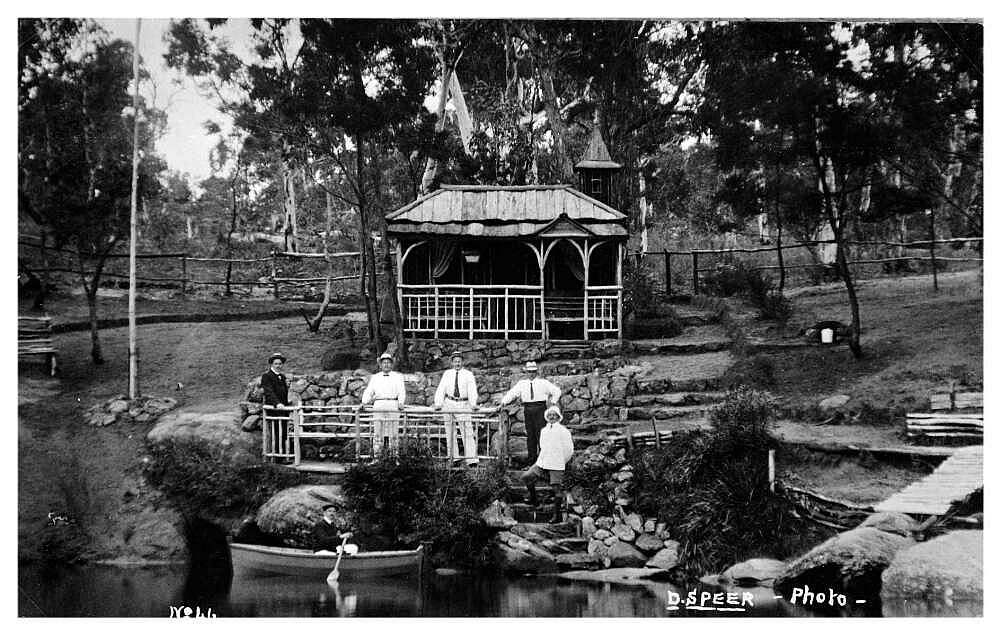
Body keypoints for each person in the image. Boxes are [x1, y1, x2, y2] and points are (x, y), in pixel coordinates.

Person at [500, 361, 561, 463]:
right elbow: (512, 394)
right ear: (526, 372)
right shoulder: (521, 384)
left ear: (536, 372)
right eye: (529, 371)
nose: (531, 374)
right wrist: (503, 402)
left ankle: (543, 461)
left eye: (533, 371)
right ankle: (531, 461)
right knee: (530, 436)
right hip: (528, 410)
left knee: (541, 435)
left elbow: (557, 391)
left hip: (540, 409)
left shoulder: (543, 382)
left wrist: (553, 402)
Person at [522, 406, 574, 524]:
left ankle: (556, 515)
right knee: (527, 477)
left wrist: (561, 461)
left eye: (554, 415)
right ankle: (535, 501)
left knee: (557, 489)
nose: (551, 417)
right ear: (546, 417)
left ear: (558, 417)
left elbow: (569, 450)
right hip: (543, 462)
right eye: (549, 415)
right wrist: (541, 461)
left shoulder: (563, 431)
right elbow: (542, 446)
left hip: (557, 464)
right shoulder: (544, 431)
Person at [433, 351, 480, 466]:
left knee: (467, 431)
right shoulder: (447, 374)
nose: (457, 363)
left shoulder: (468, 374)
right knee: (450, 431)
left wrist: (473, 403)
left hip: (463, 404)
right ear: (452, 362)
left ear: (462, 362)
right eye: (455, 361)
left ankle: (471, 459)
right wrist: (438, 403)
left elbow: (472, 390)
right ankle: (454, 457)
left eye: (459, 361)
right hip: (449, 403)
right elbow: (441, 389)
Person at [361, 352, 407, 456]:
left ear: (392, 364)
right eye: (384, 362)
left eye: (388, 362)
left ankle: (394, 457)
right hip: (379, 404)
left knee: (393, 431)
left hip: (393, 404)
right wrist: (364, 402)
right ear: (380, 364)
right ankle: (377, 456)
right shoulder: (375, 377)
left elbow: (402, 391)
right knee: (378, 431)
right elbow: (369, 391)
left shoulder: (398, 376)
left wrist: (401, 402)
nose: (386, 364)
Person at [261, 352, 291, 455]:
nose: (278, 366)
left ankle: (282, 455)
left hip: (283, 409)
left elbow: (284, 393)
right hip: (274, 409)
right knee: (277, 433)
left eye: (280, 364)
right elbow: (269, 392)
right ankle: (277, 457)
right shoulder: (266, 376)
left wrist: (286, 404)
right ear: (271, 364)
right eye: (276, 364)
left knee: (283, 433)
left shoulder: (282, 377)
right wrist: (277, 403)